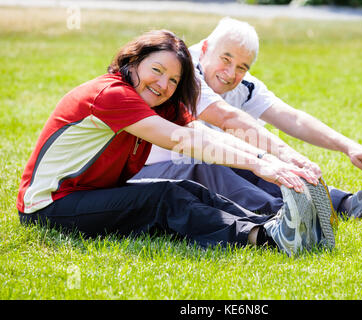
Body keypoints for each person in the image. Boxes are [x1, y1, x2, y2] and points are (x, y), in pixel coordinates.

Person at [16, 29, 335, 256]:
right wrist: (261, 166)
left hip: (94, 194)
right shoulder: (112, 95)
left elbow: (204, 134)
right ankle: (262, 238)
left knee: (188, 190)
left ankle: (278, 227)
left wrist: (273, 160)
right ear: (132, 61)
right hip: (51, 206)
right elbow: (180, 140)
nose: (163, 84)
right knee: (163, 198)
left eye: (174, 80)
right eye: (156, 70)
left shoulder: (159, 103)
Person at [131, 17, 362, 219]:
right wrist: (286, 156)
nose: (230, 73)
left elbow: (291, 118)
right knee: (211, 164)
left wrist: (348, 146)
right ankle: (289, 215)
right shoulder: (182, 71)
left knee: (247, 160)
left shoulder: (243, 85)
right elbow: (227, 118)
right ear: (204, 49)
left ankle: (345, 205)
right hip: (147, 172)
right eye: (225, 59)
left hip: (201, 156)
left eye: (241, 67)